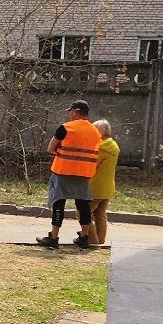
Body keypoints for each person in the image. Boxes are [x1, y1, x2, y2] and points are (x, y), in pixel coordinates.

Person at [39, 100, 101, 248]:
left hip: (63, 171)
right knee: (83, 205)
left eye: (70, 110)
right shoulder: (96, 132)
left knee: (58, 204)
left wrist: (61, 154)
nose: (69, 113)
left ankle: (54, 238)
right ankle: (84, 237)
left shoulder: (65, 128)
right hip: (84, 173)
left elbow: (50, 148)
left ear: (76, 111)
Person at [89, 118, 120, 246]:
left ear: (99, 132)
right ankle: (100, 241)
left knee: (82, 213)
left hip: (96, 186)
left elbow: (92, 165)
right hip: (108, 186)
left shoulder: (100, 148)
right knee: (100, 214)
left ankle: (92, 240)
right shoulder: (114, 146)